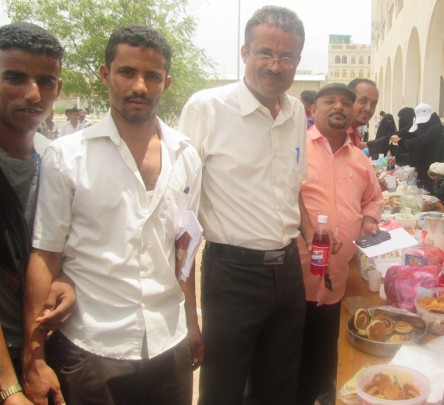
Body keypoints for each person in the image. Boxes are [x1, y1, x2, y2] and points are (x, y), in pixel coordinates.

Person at [22, 24, 203, 405]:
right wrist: (34, 357)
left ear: (166, 83)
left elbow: (183, 249)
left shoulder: (186, 157)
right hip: (91, 346)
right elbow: (45, 254)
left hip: (169, 343)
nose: (140, 86)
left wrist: (191, 322)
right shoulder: (67, 156)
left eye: (152, 76)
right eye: (127, 72)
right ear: (106, 75)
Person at [178, 7, 319, 405]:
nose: (275, 65)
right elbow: (181, 212)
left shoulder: (295, 112)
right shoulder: (207, 108)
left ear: (297, 60)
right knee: (222, 389)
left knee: (278, 386)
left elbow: (291, 185)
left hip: (287, 270)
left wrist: (311, 231)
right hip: (232, 274)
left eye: (287, 56)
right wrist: (187, 312)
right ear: (244, 52)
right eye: (265, 53)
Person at [0, 22, 77, 405]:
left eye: (46, 81)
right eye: (15, 77)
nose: (33, 94)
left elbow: (60, 247)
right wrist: (9, 386)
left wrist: (64, 279)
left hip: (46, 350)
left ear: (58, 89)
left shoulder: (56, 159)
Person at [295, 83, 383, 405]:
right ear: (313, 109)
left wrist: (370, 219)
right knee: (291, 357)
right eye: (329, 101)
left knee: (324, 353)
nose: (338, 107)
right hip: (295, 278)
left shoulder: (359, 159)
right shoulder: (296, 149)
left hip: (337, 278)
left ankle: (319, 392)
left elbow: (373, 198)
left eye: (346, 102)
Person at [390, 103, 444, 193]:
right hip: (426, 174)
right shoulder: (428, 130)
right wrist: (398, 157)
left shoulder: (436, 129)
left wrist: (401, 141)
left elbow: (420, 144)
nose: (421, 126)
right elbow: (418, 152)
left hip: (435, 176)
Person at [347, 78, 379, 149]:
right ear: (348, 100)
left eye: (373, 104)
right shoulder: (335, 137)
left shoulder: (356, 135)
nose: (368, 109)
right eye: (363, 101)